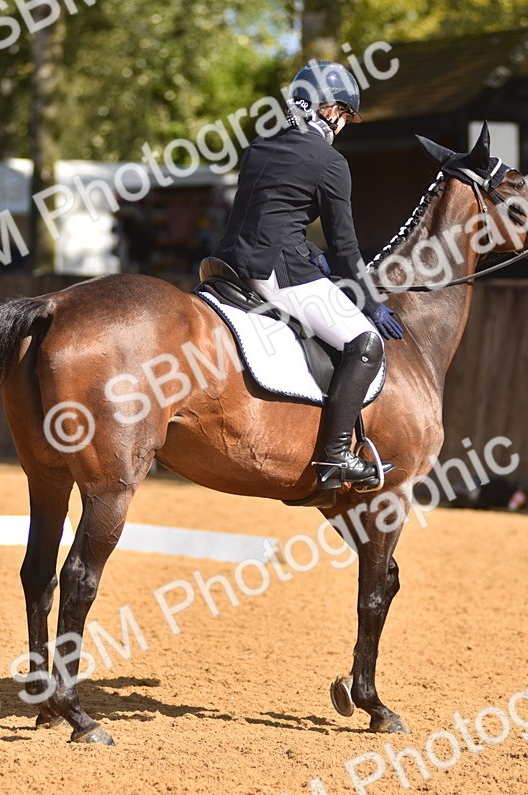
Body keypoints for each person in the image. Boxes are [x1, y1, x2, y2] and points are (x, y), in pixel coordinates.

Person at [213, 61, 404, 491]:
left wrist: (311, 254)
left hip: (226, 262)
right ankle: (335, 458)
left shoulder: (260, 145)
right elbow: (346, 249)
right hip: (275, 272)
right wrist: (371, 304)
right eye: (345, 115)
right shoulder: (330, 161)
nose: (344, 126)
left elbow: (271, 215)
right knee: (364, 343)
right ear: (330, 109)